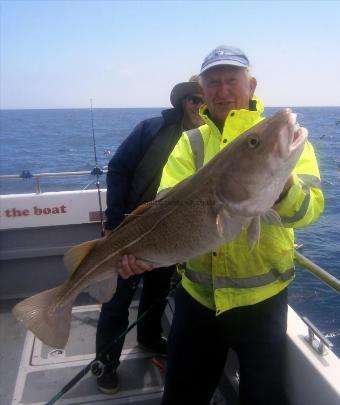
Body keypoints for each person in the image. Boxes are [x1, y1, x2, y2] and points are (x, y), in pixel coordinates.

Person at [118, 45, 324, 405]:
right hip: (197, 300)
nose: (223, 90)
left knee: (261, 397)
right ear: (201, 90)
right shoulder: (191, 141)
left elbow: (308, 212)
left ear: (251, 86)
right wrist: (143, 253)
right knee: (182, 397)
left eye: (232, 80)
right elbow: (166, 206)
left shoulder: (286, 141)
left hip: (263, 302)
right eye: (213, 82)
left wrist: (284, 185)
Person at [95, 76, 204, 394]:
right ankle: (106, 364)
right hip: (131, 231)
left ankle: (149, 337)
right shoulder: (151, 128)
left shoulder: (212, 140)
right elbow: (117, 168)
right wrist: (114, 221)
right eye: (194, 99)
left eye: (204, 101)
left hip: (172, 236)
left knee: (157, 294)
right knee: (117, 302)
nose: (200, 106)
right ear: (184, 101)